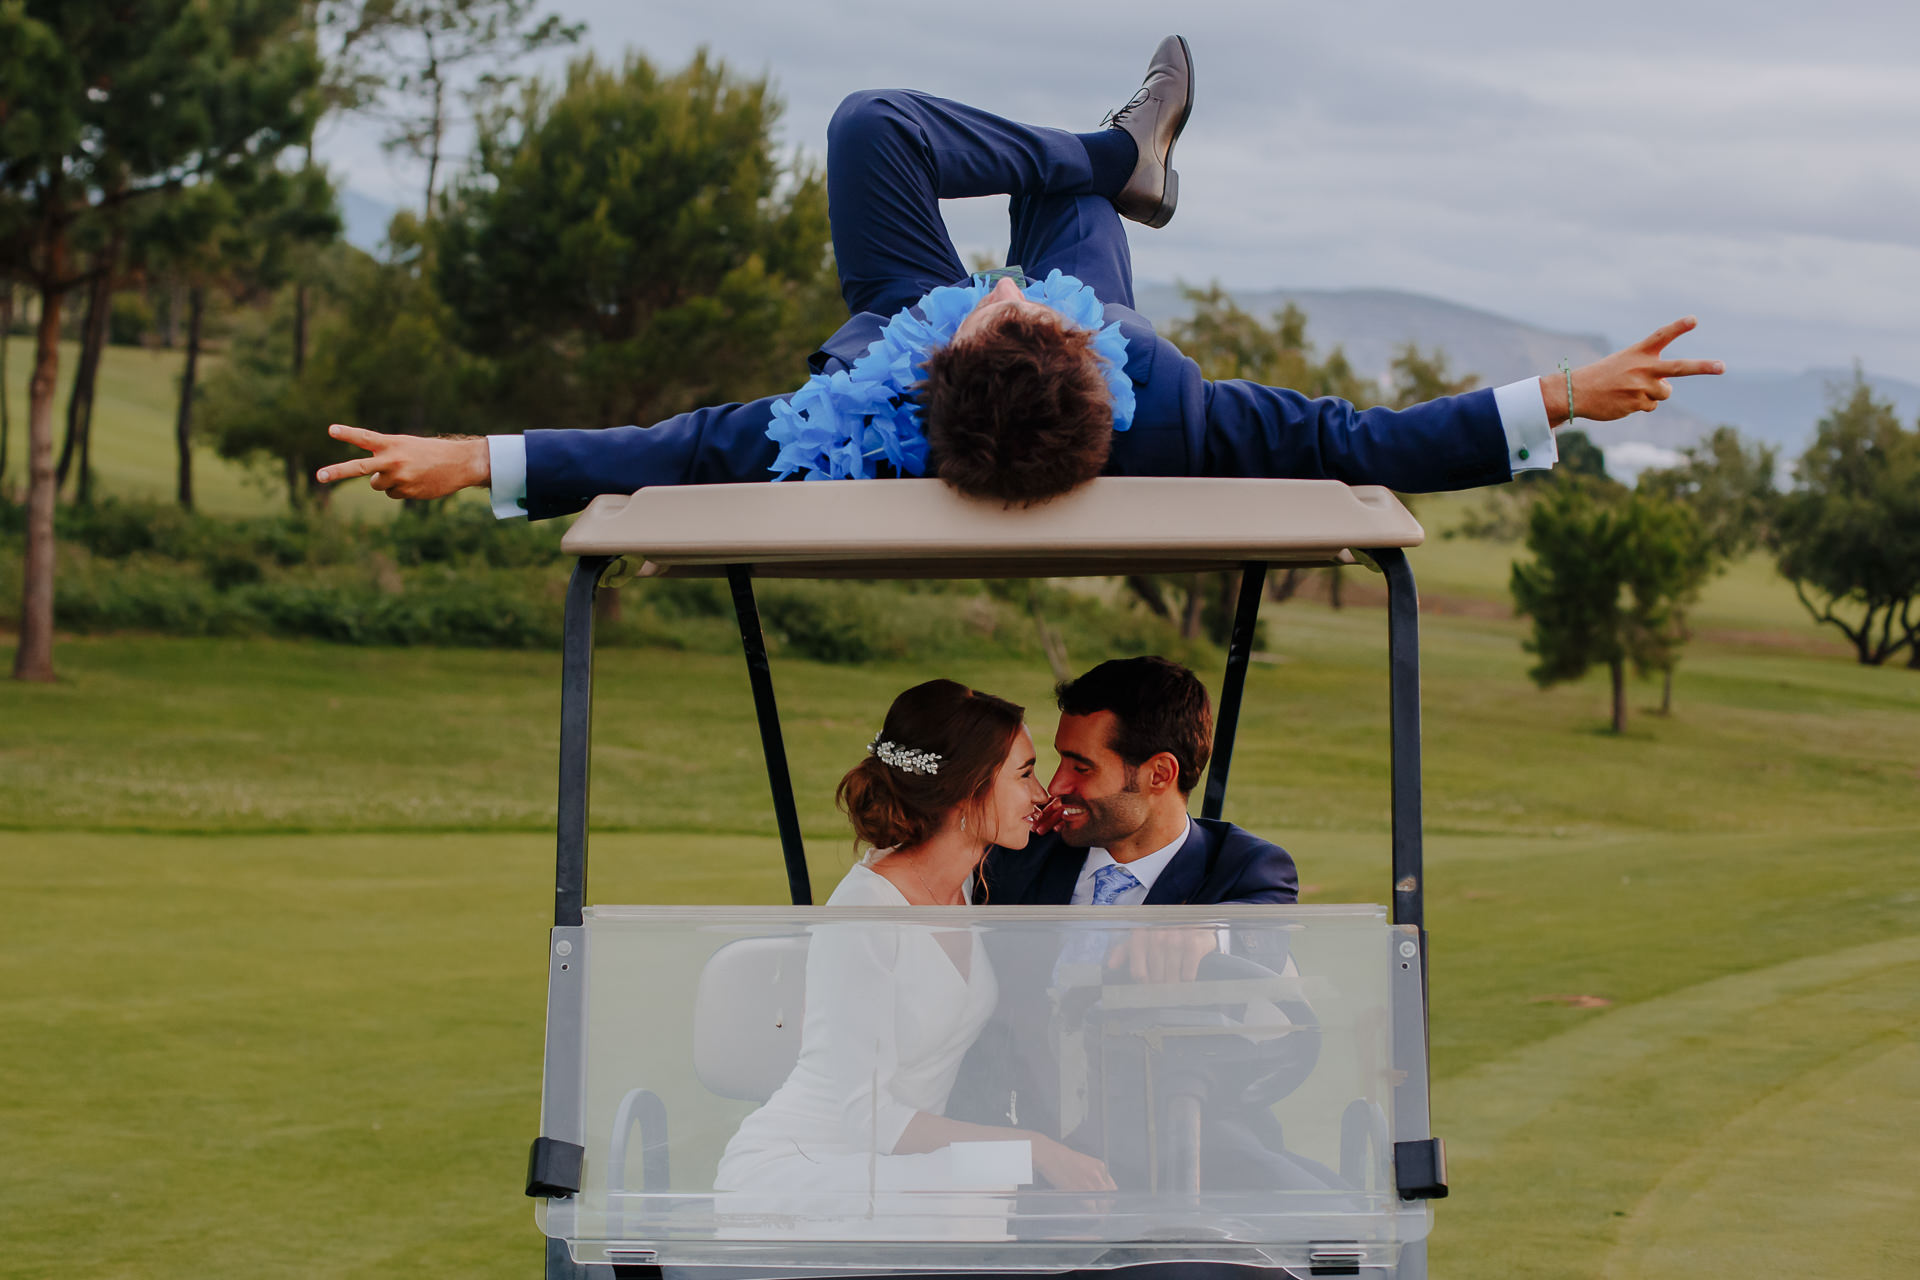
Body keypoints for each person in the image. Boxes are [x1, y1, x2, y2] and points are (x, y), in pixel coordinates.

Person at [312, 36, 1724, 512]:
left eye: (1003, 297)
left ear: (937, 363)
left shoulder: (859, 412)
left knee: (874, 124)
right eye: (1021, 297)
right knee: (1029, 177)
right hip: (1032, 336)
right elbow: (1376, 445)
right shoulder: (1168, 402)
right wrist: (1561, 394)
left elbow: (664, 451)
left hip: (887, 329)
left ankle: (1115, 158)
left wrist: (466, 456)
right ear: (1062, 333)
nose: (1003, 282)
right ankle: (1121, 157)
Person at [713, 679, 1116, 1212]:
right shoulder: (865, 913)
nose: (1042, 793)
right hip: (811, 1166)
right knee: (994, 1193)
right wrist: (1034, 1149)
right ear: (968, 788)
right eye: (1024, 774)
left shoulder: (969, 885)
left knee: (1019, 1196)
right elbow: (865, 1116)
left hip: (899, 1167)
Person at [948, 657, 1326, 1197]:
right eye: (1059, 761)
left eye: (1082, 767)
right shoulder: (1021, 853)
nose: (1056, 785)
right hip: (1024, 1160)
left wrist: (1207, 935)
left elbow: (1258, 934)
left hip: (1187, 1159)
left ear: (1159, 774)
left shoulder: (1244, 868)